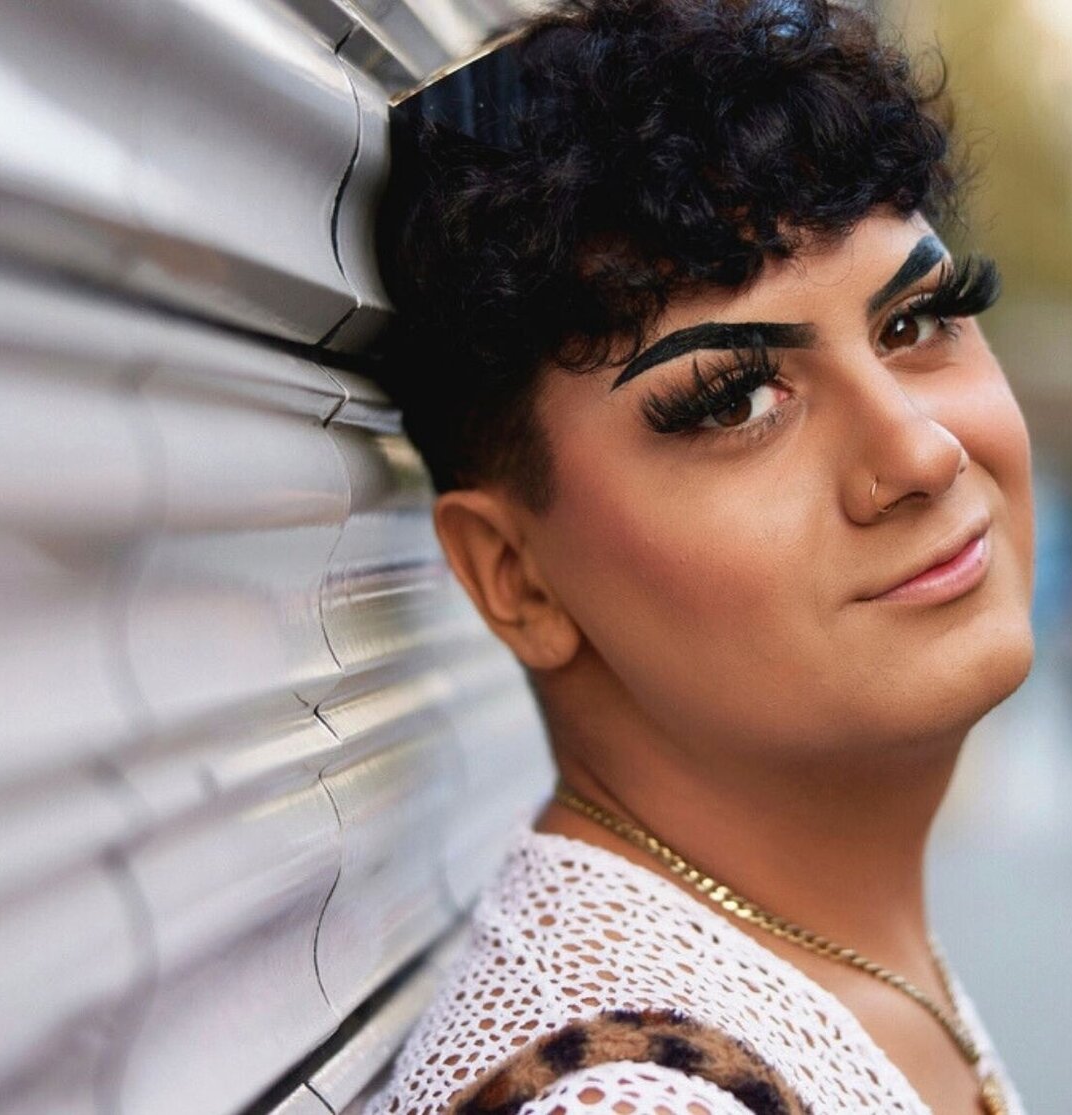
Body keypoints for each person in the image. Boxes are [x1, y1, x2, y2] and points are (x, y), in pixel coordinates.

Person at [363, 0, 1036, 1109]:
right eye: (736, 398)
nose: (918, 450)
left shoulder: (804, 966)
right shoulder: (631, 1096)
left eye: (914, 322)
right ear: (514, 577)